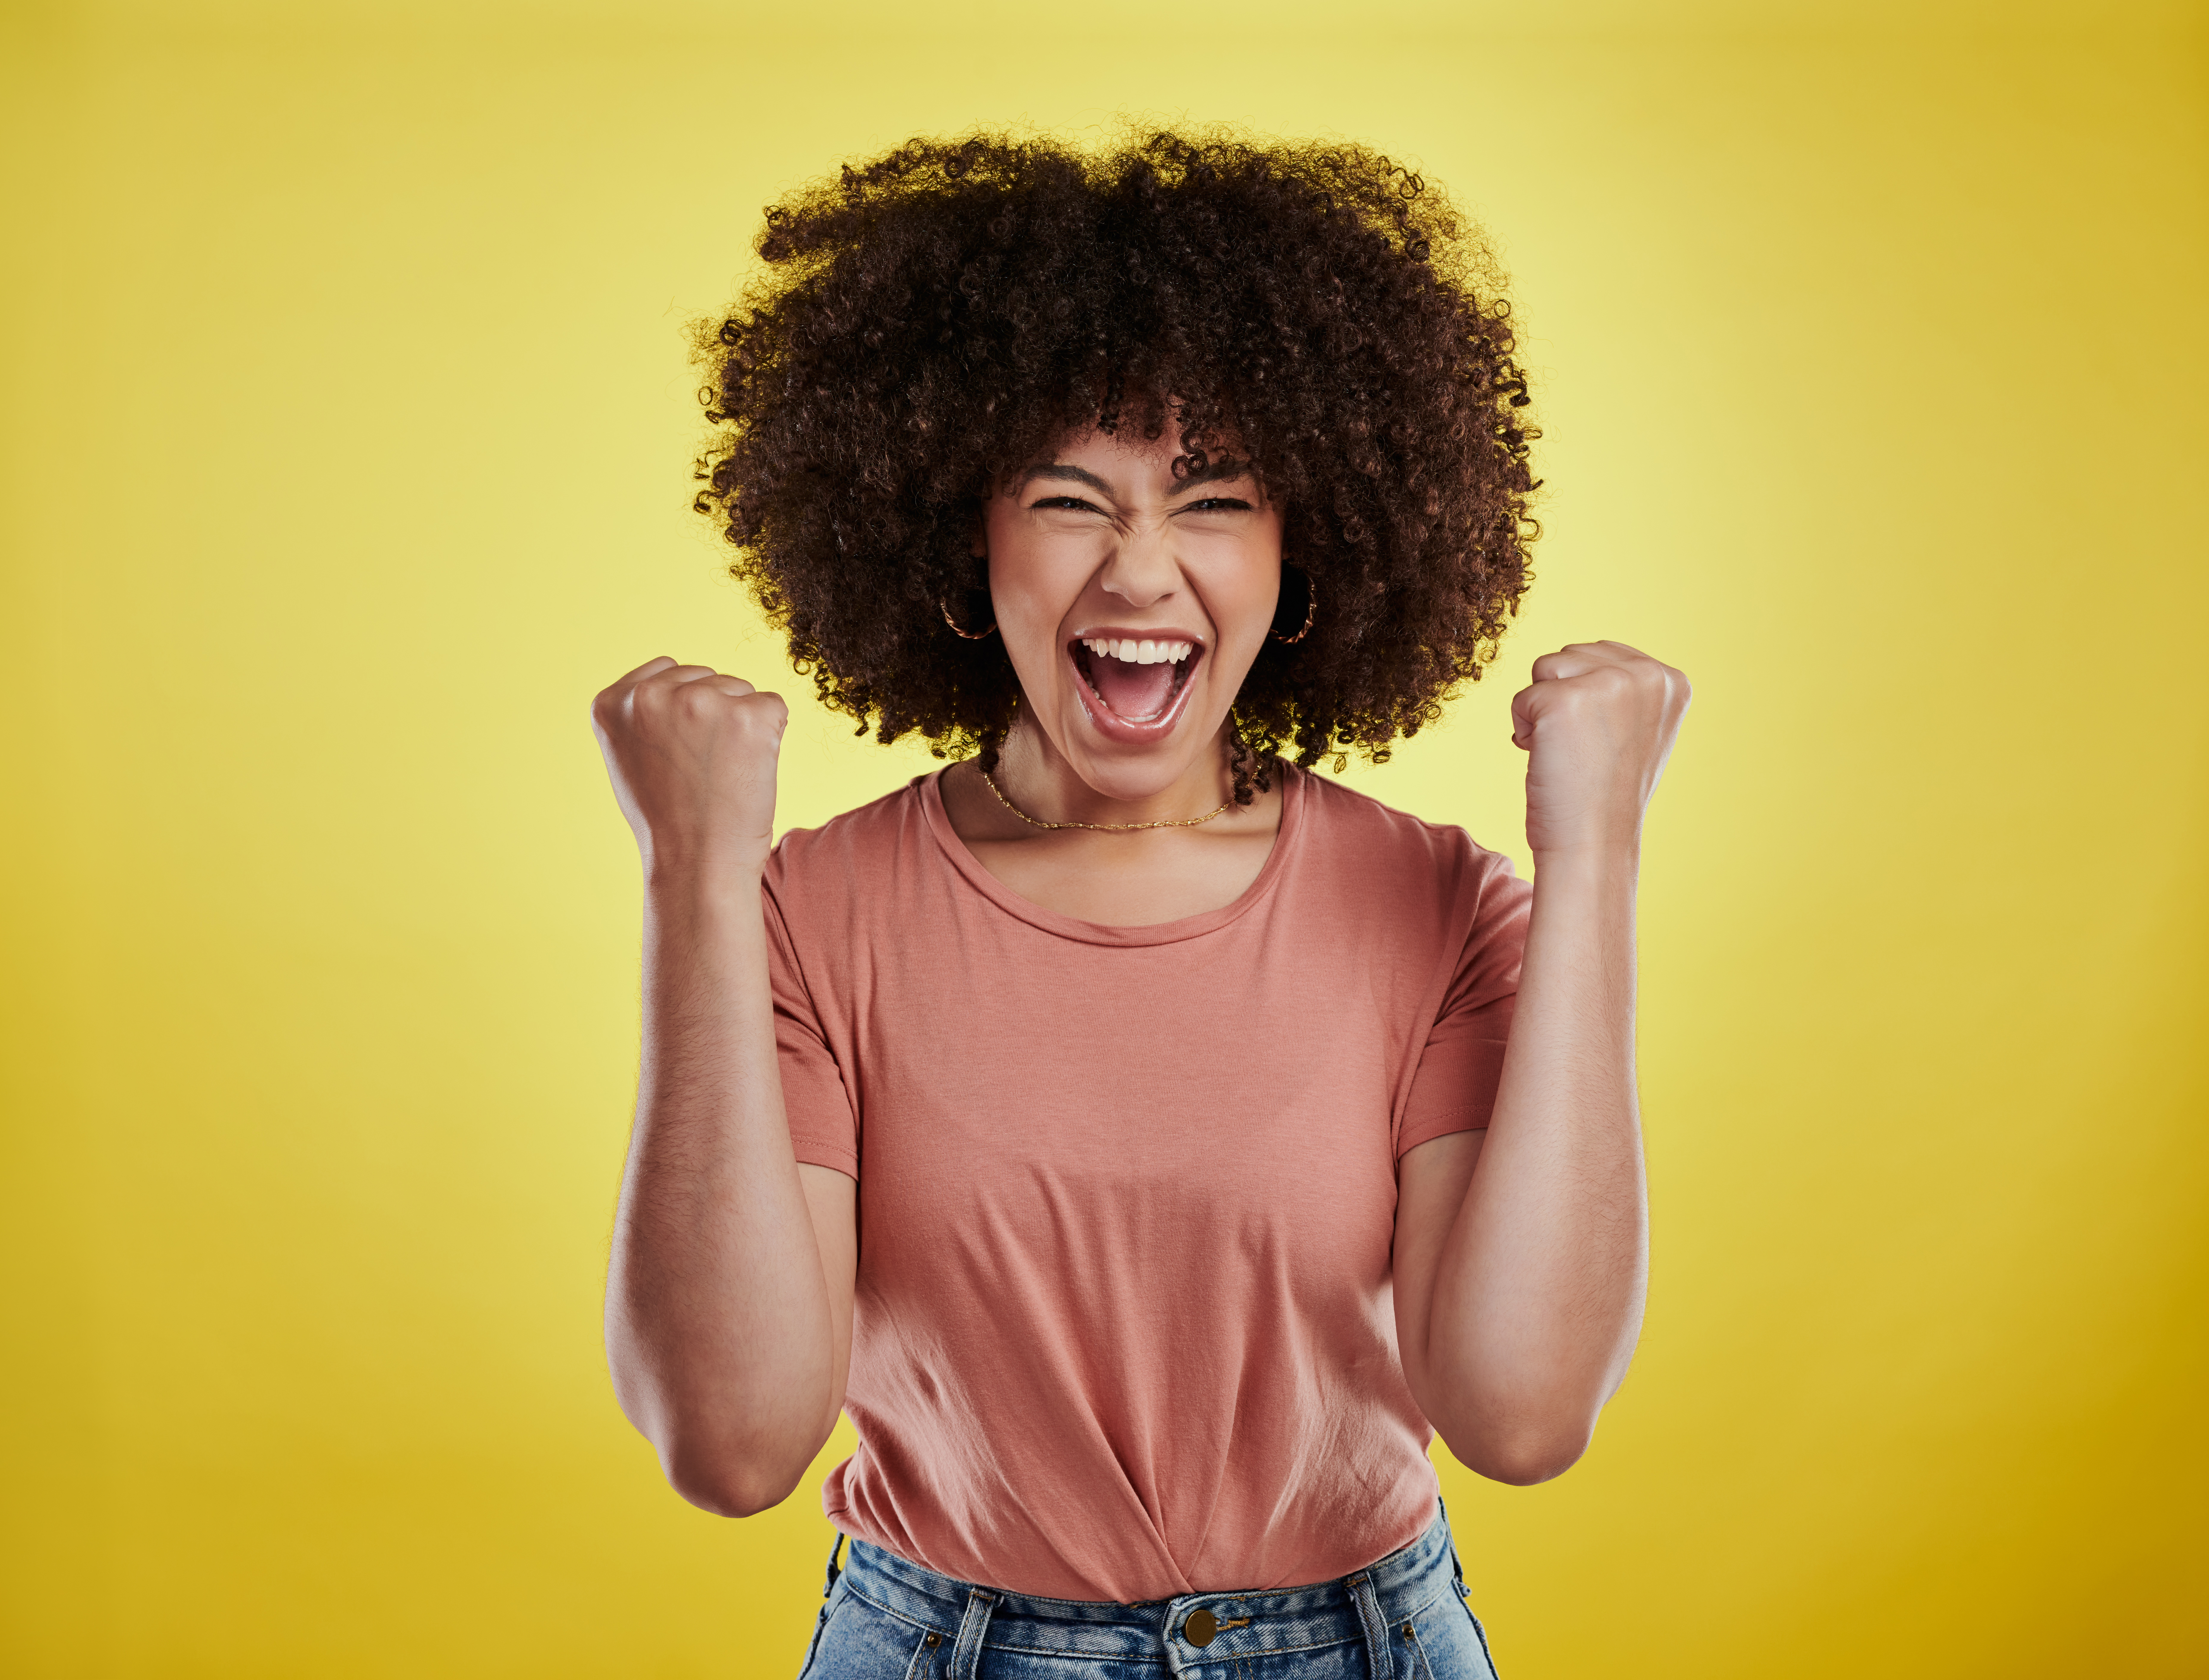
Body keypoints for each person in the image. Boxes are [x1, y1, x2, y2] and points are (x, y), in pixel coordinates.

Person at [589, 132, 1689, 1679]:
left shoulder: (1433, 906)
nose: (1140, 571)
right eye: (1068, 501)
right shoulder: (811, 912)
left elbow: (1518, 1415)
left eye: (1213, 499)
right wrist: (692, 874)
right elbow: (732, 1442)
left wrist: (1598, 862)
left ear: (1305, 547)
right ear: (963, 541)